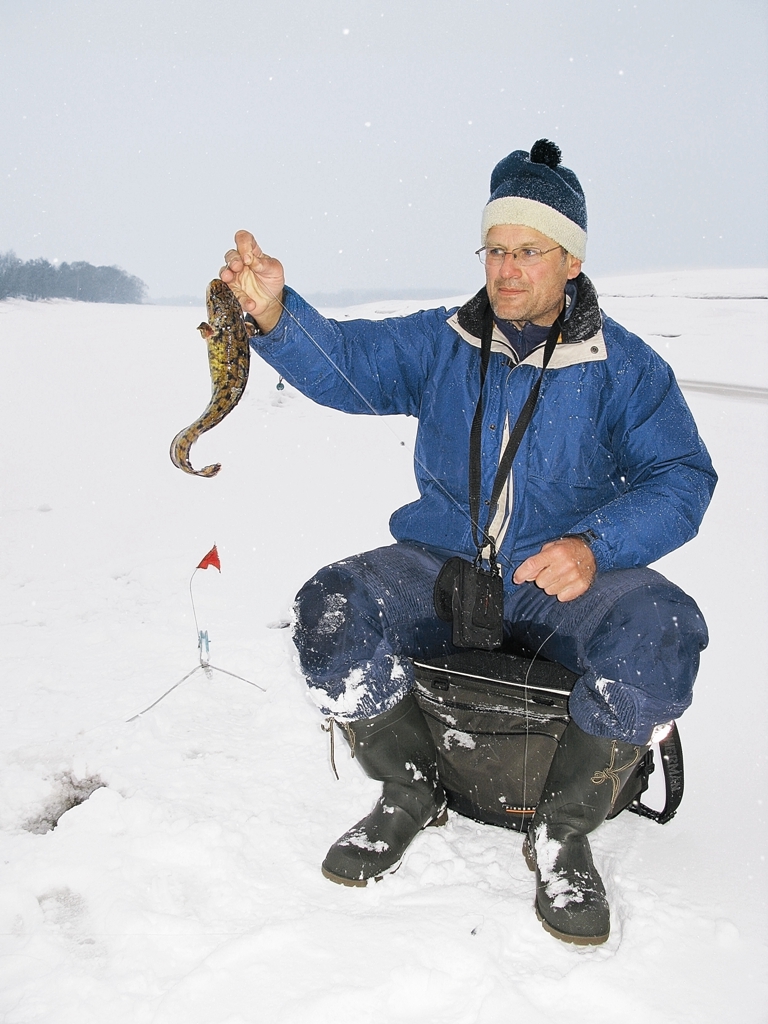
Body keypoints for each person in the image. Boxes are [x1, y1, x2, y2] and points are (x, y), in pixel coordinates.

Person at [219, 140, 716, 946]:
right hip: (443, 566)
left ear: (571, 261)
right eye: (495, 250)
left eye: (528, 251)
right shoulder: (442, 342)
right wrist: (276, 315)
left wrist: (596, 546)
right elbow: (347, 365)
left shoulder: (625, 368)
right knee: (329, 607)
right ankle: (408, 788)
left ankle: (564, 828)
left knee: (663, 628)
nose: (507, 270)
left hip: (560, 581)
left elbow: (684, 479)